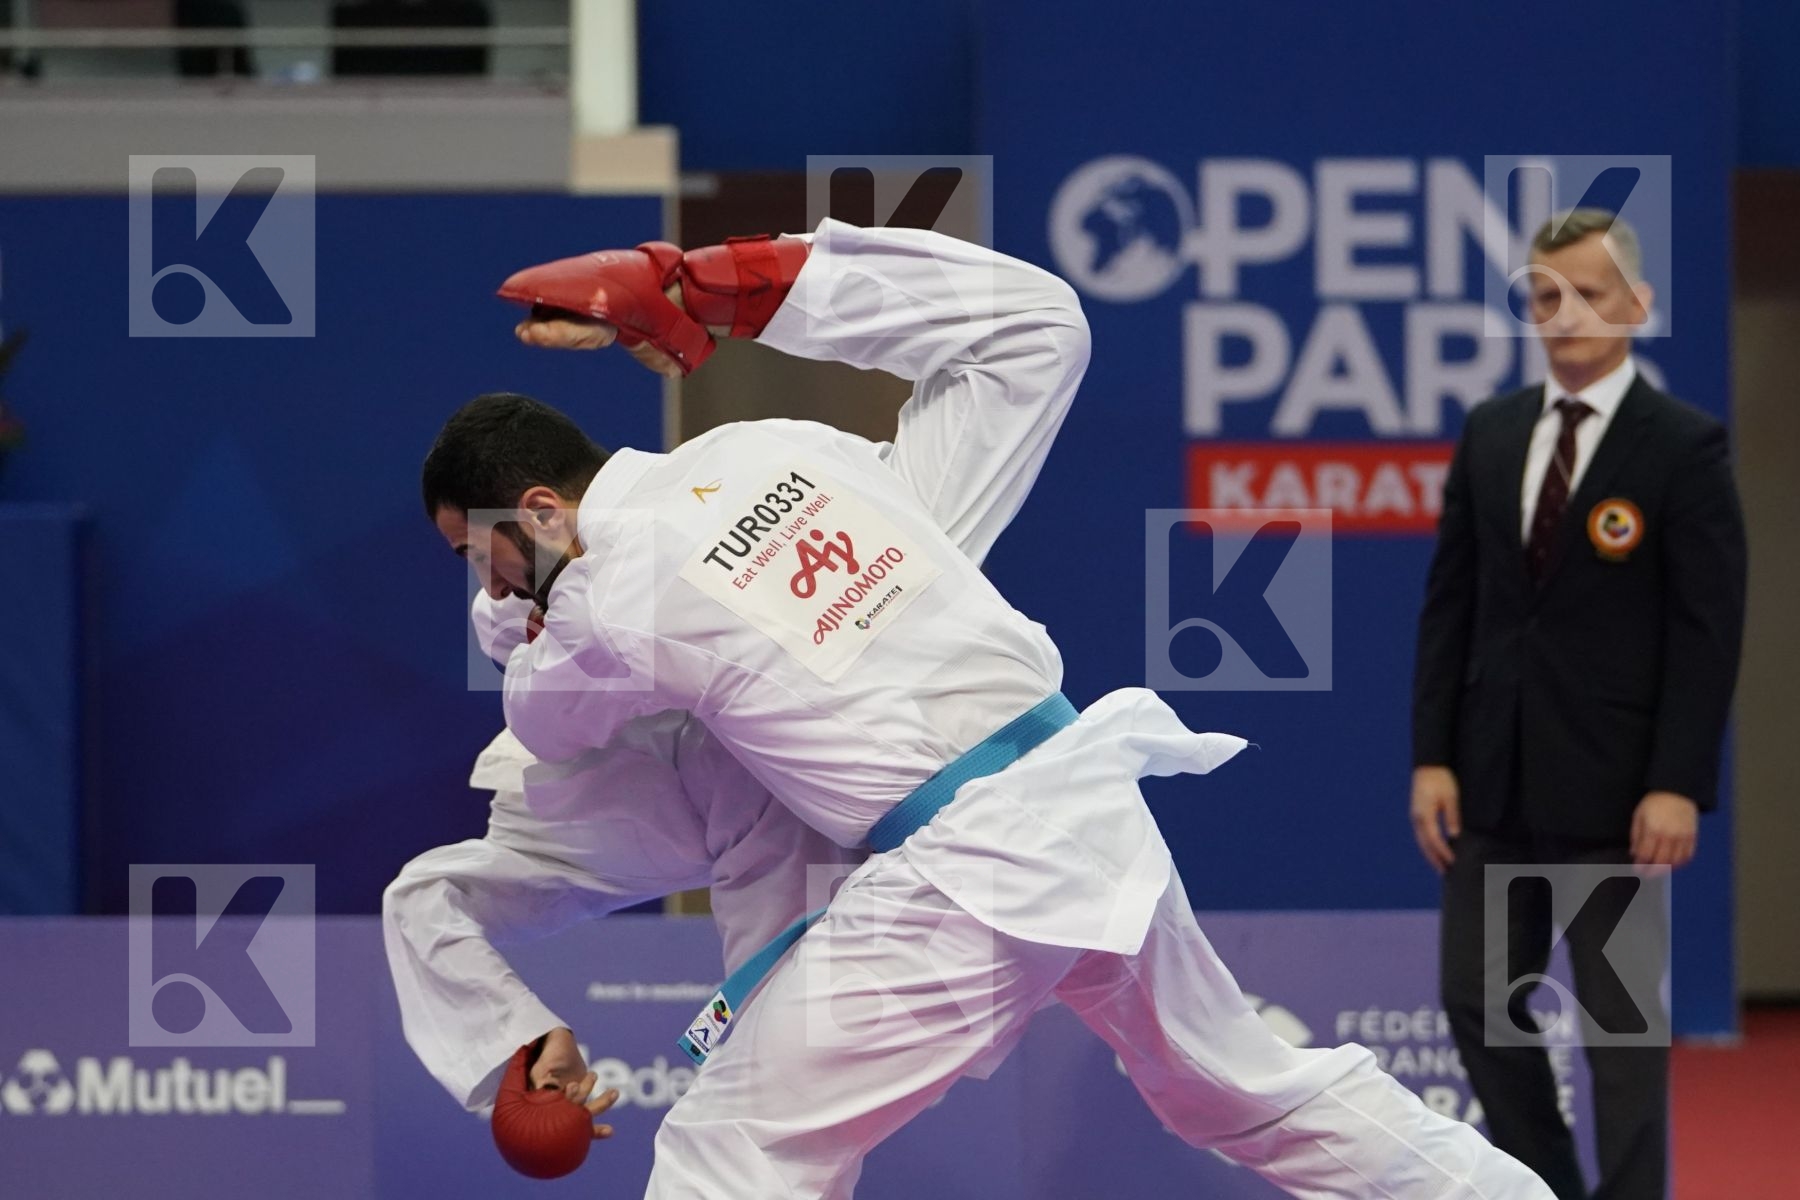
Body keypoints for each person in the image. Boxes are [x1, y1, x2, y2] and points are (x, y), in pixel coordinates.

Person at [423, 219, 1555, 1198]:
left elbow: (550, 725)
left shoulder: (604, 600)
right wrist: (721, 283)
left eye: (487, 557)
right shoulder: (782, 451)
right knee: (1242, 1091)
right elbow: (1037, 325)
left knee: (733, 1151)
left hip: (961, 875)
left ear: (544, 512)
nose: (494, 585)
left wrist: (515, 612)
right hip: (1081, 796)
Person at [1412, 209, 1747, 1199]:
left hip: (1617, 801)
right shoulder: (1493, 431)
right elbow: (1453, 604)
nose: (1566, 316)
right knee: (1477, 1007)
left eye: (1591, 295)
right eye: (1546, 296)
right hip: (1491, 785)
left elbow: (1706, 630)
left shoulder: (1683, 447)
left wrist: (1678, 782)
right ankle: (1547, 1188)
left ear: (1636, 306)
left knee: (1622, 1038)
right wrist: (1433, 753)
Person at [382, 590, 861, 1125]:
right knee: (421, 894)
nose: (491, 580)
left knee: (781, 1043)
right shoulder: (531, 591)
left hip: (769, 777)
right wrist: (525, 1042)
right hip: (602, 806)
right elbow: (499, 623)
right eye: (472, 554)